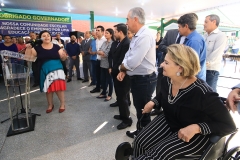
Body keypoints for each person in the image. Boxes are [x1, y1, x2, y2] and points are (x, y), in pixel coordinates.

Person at [132, 44, 236, 159]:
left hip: (195, 133)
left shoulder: (202, 93)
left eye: (166, 63)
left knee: (157, 156)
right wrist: (154, 102)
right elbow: (163, 95)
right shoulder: (168, 79)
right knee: (139, 142)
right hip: (171, 120)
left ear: (180, 68)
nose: (161, 65)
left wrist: (196, 128)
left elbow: (229, 126)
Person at [117, 7, 157, 138]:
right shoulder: (137, 35)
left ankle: (146, 138)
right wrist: (124, 70)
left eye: (127, 19)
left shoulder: (144, 36)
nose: (126, 23)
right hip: (138, 78)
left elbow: (133, 62)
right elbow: (128, 55)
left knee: (143, 110)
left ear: (135, 19)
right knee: (139, 108)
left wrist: (121, 69)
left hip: (144, 80)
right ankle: (141, 132)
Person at [25, 30, 67, 113]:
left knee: (59, 88)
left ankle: (62, 104)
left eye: (48, 35)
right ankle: (50, 105)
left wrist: (64, 56)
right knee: (48, 89)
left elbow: (63, 58)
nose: (47, 37)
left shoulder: (56, 46)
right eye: (44, 35)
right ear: (40, 38)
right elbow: (29, 59)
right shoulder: (37, 48)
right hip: (45, 70)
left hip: (57, 70)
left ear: (50, 37)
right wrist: (28, 48)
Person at [108, 23, 132, 129]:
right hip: (116, 72)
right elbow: (112, 56)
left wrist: (115, 69)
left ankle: (127, 120)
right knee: (120, 96)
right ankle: (122, 115)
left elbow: (122, 60)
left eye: (116, 32)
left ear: (120, 32)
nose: (114, 33)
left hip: (122, 74)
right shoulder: (118, 42)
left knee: (123, 97)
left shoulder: (127, 43)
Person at [178, 13, 206, 81]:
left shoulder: (194, 41)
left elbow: (191, 65)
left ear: (186, 26)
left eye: (179, 27)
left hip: (193, 79)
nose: (178, 29)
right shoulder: (191, 38)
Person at [204, 14, 227, 92]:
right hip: (202, 69)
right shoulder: (205, 35)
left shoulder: (221, 35)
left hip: (211, 70)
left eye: (206, 22)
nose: (204, 24)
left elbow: (216, 54)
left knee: (210, 93)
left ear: (214, 22)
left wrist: (203, 64)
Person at [96, 28, 114, 101]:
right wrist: (101, 52)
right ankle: (104, 92)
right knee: (103, 79)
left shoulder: (112, 43)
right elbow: (98, 51)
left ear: (111, 34)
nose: (105, 34)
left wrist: (102, 52)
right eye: (105, 33)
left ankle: (110, 94)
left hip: (108, 64)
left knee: (109, 80)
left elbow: (106, 54)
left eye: (107, 33)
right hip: (102, 63)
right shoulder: (104, 42)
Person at [90, 26, 106, 93]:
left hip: (104, 60)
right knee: (97, 75)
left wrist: (100, 52)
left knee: (103, 77)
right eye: (96, 30)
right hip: (97, 59)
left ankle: (104, 90)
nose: (96, 31)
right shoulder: (96, 40)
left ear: (102, 32)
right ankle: (97, 87)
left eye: (98, 30)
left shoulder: (105, 40)